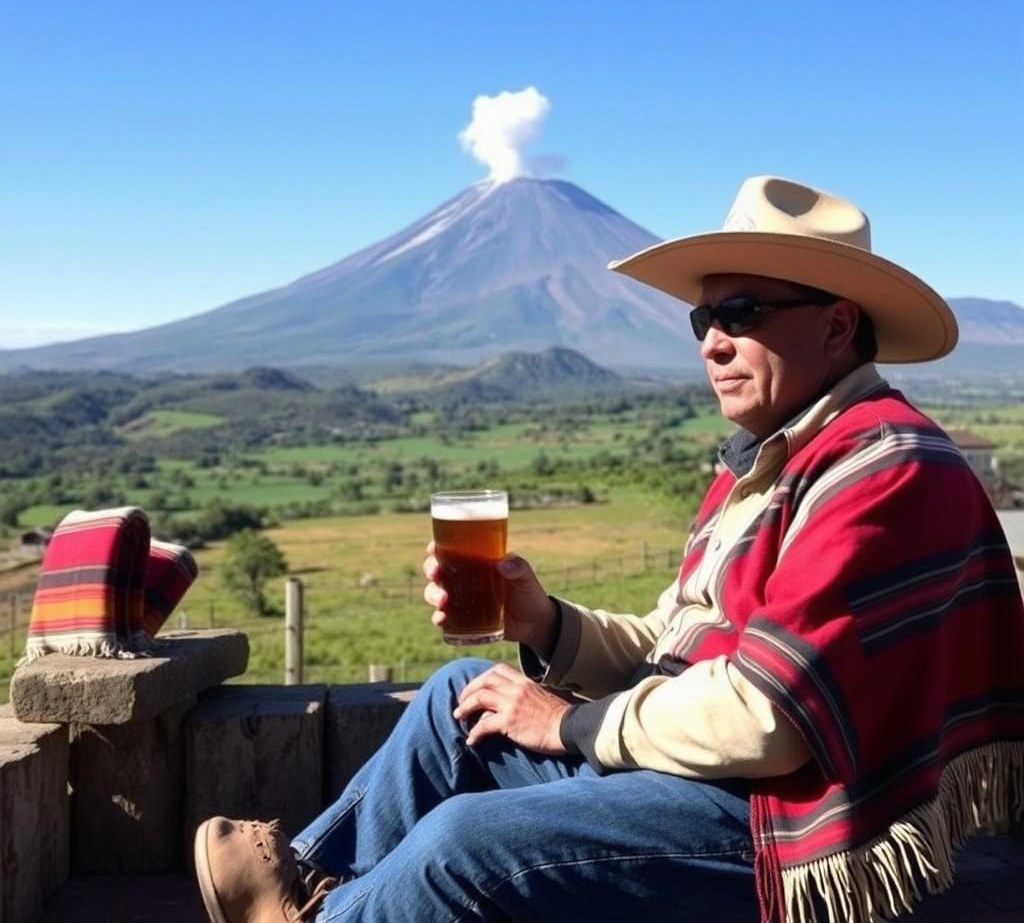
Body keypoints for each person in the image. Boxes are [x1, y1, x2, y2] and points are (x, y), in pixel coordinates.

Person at [193, 176, 1024, 923]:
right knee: (460, 695)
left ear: (838, 324)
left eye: (742, 315)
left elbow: (769, 720)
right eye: (704, 318)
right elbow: (677, 640)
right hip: (710, 779)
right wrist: (546, 622)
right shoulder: (779, 456)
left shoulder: (882, 470)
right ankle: (313, 888)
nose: (711, 343)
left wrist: (573, 723)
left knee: (464, 844)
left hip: (781, 819)